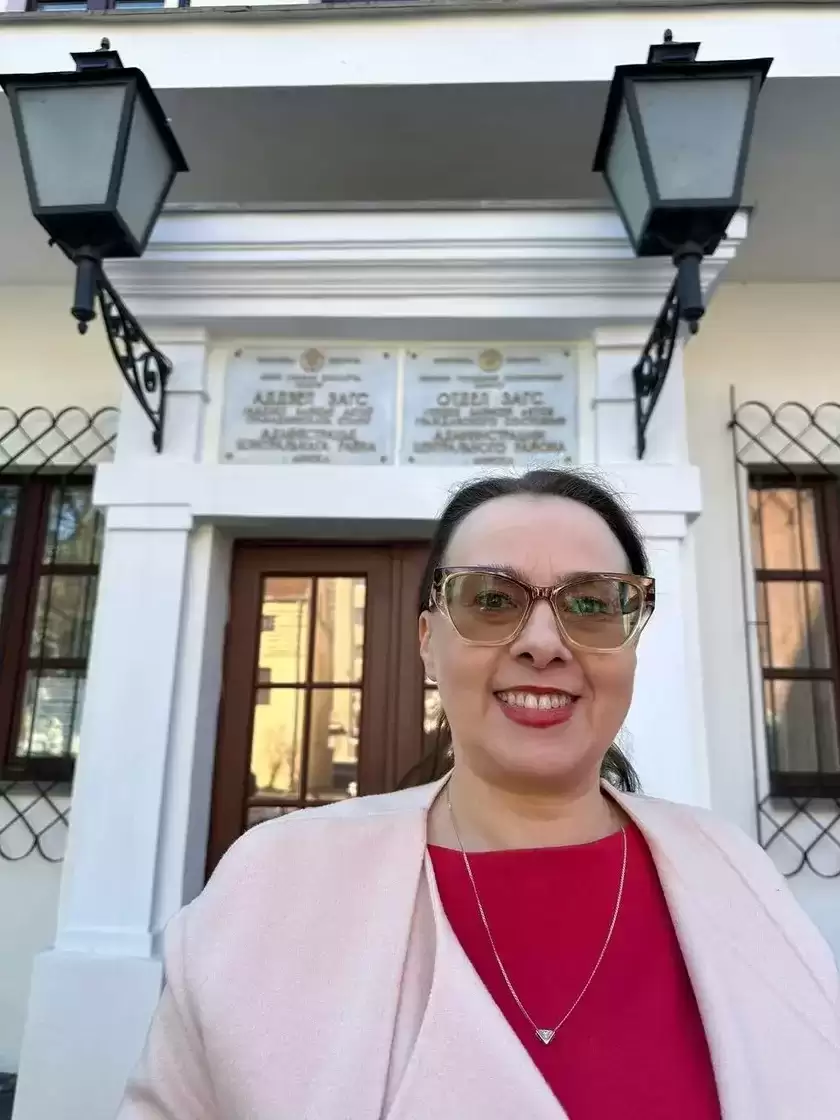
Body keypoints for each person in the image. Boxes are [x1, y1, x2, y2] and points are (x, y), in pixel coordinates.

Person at [118, 468, 840, 1120]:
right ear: (427, 643)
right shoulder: (274, 887)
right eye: (491, 599)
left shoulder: (734, 874)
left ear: (630, 642)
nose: (543, 642)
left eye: (592, 603)